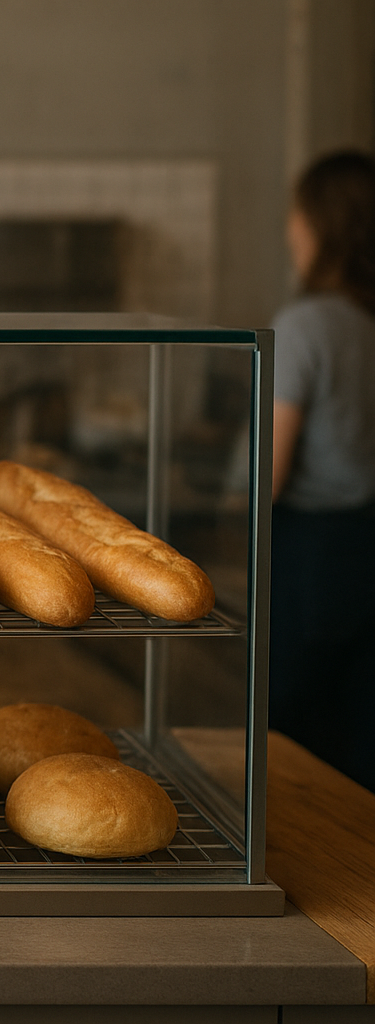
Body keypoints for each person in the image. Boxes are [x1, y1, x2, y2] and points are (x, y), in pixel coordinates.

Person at [268, 149, 375, 791]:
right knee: (357, 734)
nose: (289, 228)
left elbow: (270, 472)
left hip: (314, 554)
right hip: (368, 541)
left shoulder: (306, 324)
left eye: (297, 212)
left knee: (289, 733)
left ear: (322, 224)